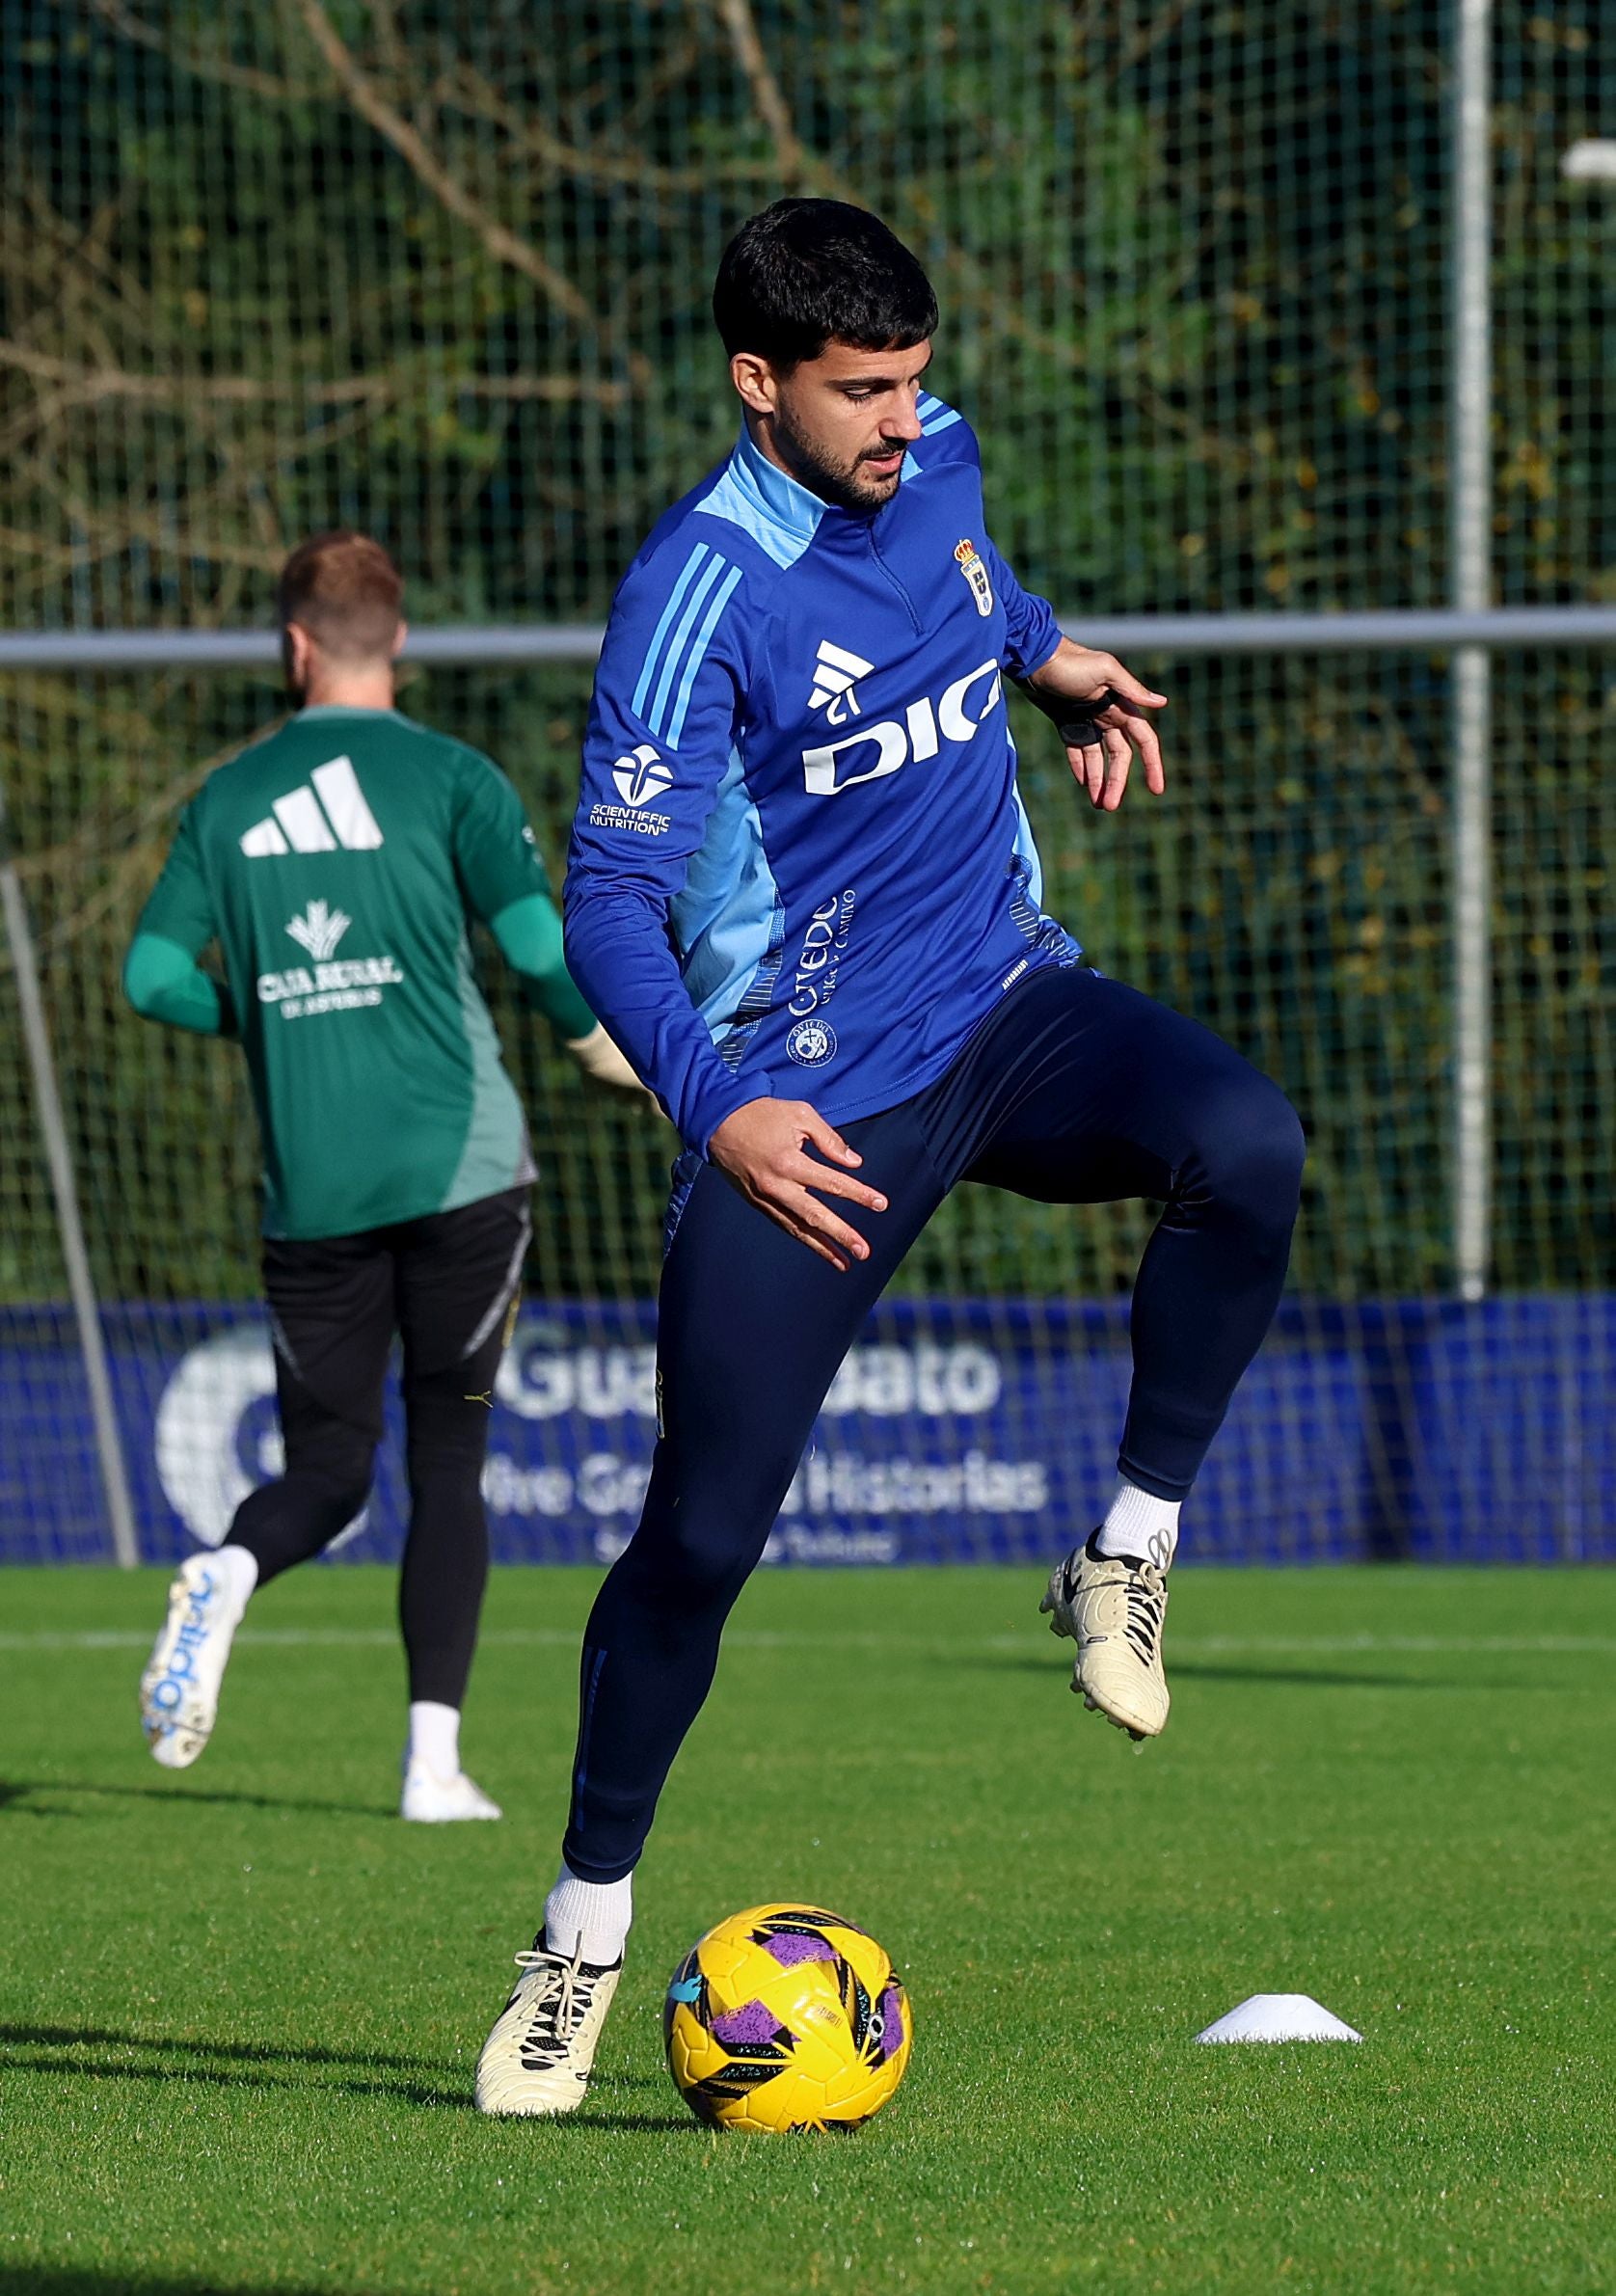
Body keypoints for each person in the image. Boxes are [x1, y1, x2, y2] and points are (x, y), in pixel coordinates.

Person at [472, 202, 1305, 2110]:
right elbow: (606, 894)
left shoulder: (938, 461)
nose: (901, 419)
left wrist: (1049, 657)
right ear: (756, 385)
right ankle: (580, 1938)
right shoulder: (697, 590)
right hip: (808, 1108)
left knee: (1244, 1144)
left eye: (917, 379)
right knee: (698, 1537)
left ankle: (1121, 1550)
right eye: (860, 390)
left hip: (1009, 1008)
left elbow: (970, 588)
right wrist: (717, 1106)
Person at [128, 531, 643, 1822]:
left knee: (331, 1467)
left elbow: (146, 976)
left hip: (314, 1188)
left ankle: (230, 1570)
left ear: (294, 645)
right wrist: (605, 1050)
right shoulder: (452, 779)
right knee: (449, 1462)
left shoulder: (229, 800)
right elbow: (535, 944)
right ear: (394, 639)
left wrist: (266, 1014)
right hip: (460, 1169)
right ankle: (430, 1766)